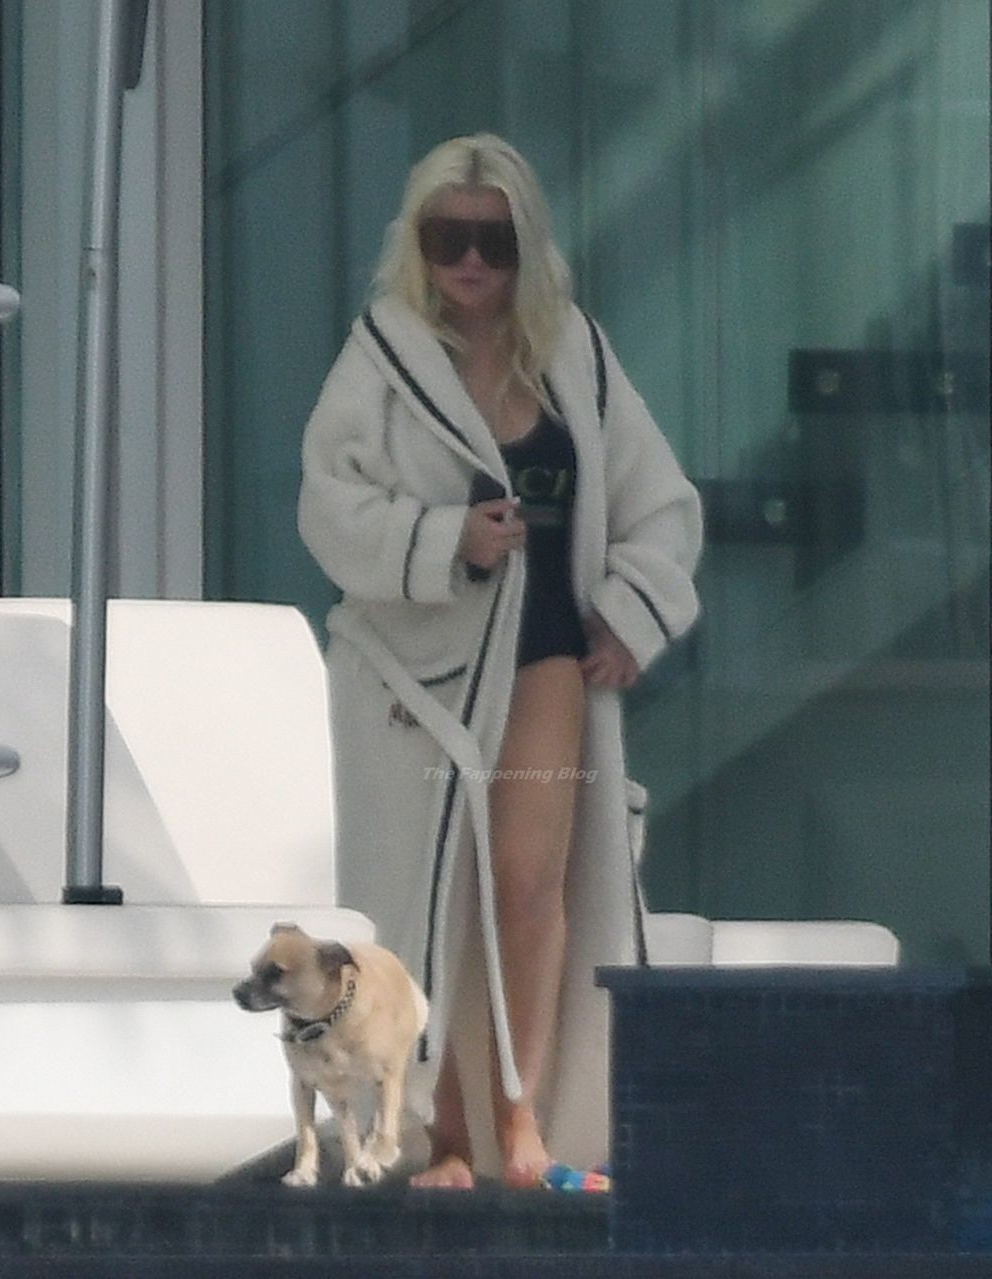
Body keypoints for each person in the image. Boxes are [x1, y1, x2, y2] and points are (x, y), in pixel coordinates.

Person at [297, 133, 703, 1189]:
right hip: (419, 680)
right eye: (448, 238)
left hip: (545, 657)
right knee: (432, 894)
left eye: (495, 240)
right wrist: (446, 539)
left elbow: (661, 501)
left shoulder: (575, 355)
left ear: (527, 245)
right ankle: (441, 1136)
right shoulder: (381, 358)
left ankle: (523, 1129)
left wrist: (631, 613)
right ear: (418, 242)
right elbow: (329, 509)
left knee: (530, 891)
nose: (471, 261)